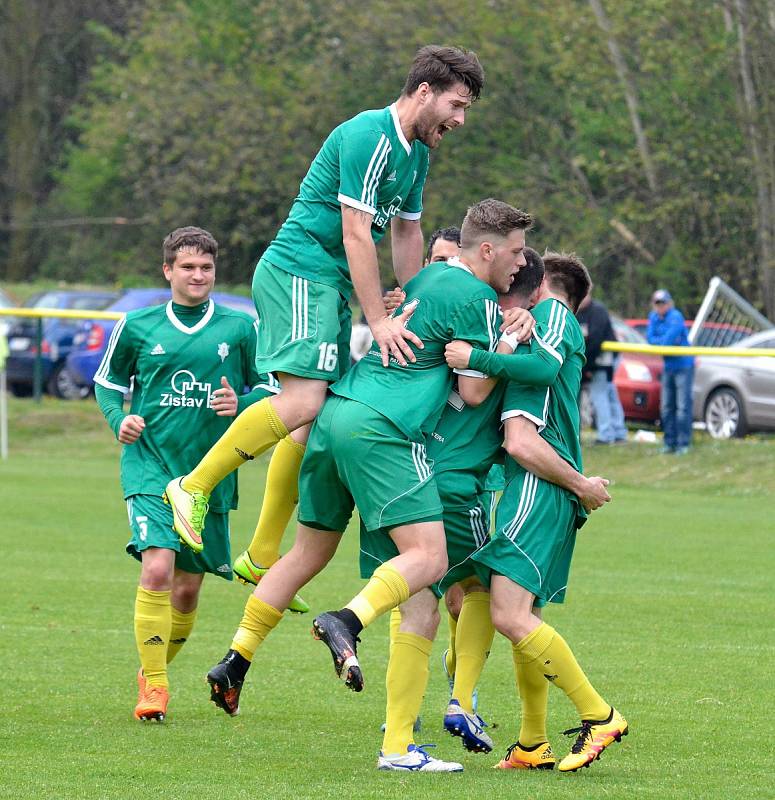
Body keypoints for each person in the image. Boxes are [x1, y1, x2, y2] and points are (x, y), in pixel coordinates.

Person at [204, 199, 534, 773]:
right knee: (429, 559)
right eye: (516, 251)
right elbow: (477, 393)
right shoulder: (480, 300)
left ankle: (238, 660)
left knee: (321, 556)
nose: (521, 261)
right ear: (487, 250)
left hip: (333, 418)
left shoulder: (428, 277)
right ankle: (348, 622)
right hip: (383, 430)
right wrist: (504, 346)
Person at [164, 46, 486, 569]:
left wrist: (416, 299)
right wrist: (377, 321)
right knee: (304, 402)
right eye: (456, 104)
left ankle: (263, 550)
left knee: (310, 424)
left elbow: (407, 231)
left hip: (328, 286)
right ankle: (192, 486)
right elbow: (356, 232)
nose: (461, 120)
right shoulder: (369, 135)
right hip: (300, 271)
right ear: (424, 92)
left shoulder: (418, 154)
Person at [445, 252, 627, 773]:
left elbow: (523, 441)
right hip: (545, 487)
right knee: (520, 611)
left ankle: (600, 714)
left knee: (506, 613)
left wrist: (477, 357)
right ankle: (531, 742)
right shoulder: (539, 327)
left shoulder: (551, 317)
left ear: (543, 286)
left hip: (539, 486)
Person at [94, 227, 276, 722]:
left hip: (211, 474)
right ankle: (155, 686)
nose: (199, 275)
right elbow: (107, 384)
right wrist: (120, 420)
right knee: (157, 567)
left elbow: (271, 387)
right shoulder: (136, 325)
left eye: (207, 268)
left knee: (188, 589)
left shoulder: (239, 329)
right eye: (188, 267)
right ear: (168, 271)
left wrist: (244, 401)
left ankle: (151, 668)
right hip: (151, 465)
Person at [576, 290, 627, 444]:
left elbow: (595, 341)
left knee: (600, 395)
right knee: (608, 393)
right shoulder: (577, 312)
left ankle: (606, 435)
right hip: (593, 360)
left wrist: (587, 368)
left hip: (604, 360)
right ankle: (618, 432)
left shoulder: (597, 311)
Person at [647, 289, 694, 454]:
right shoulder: (653, 317)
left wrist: (661, 342)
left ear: (669, 303)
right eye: (658, 303)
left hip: (683, 365)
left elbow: (667, 341)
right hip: (668, 366)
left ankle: (684, 443)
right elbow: (650, 340)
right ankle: (669, 442)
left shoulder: (676, 316)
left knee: (682, 407)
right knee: (666, 407)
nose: (661, 307)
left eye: (663, 303)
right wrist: (662, 343)